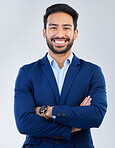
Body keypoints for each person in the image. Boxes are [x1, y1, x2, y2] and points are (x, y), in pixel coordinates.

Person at [14, 3, 107, 148]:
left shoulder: (92, 72)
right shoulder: (27, 73)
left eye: (66, 28)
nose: (59, 34)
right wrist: (73, 127)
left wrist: (49, 111)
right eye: (53, 27)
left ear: (75, 33)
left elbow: (96, 116)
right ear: (45, 32)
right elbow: (24, 123)